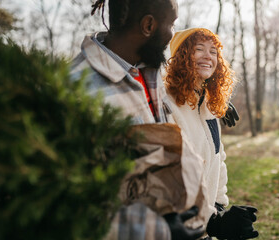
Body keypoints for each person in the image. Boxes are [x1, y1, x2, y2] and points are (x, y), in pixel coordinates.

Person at [70, 1, 207, 239]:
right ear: (148, 25)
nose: (172, 33)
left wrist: (213, 218)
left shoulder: (149, 75)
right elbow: (70, 203)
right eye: (171, 24)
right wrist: (156, 230)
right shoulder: (77, 91)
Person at [165, 28, 259, 240]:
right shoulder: (167, 105)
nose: (208, 56)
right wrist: (211, 221)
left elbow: (219, 157)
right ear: (181, 57)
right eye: (199, 49)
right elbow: (170, 176)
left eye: (214, 51)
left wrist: (218, 205)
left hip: (204, 226)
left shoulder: (208, 106)